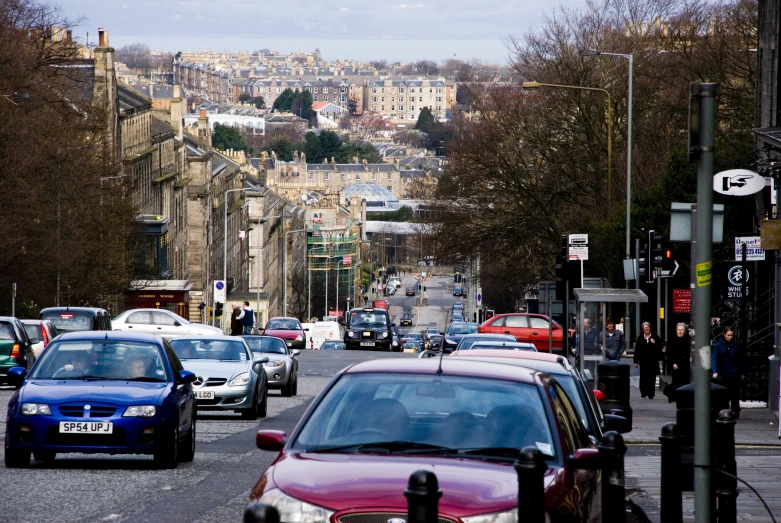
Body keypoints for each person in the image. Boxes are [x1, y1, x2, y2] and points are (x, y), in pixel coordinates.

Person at [712, 327, 745, 417]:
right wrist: (714, 371)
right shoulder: (718, 345)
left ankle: (735, 410)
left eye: (732, 335)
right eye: (728, 335)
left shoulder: (737, 345)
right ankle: (723, 409)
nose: (730, 337)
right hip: (722, 372)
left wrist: (742, 372)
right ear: (724, 335)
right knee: (723, 393)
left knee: (735, 392)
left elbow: (741, 359)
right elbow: (714, 358)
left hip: (734, 372)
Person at [634, 322, 663, 399]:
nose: (646, 329)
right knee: (643, 377)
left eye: (648, 327)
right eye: (645, 327)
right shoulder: (640, 338)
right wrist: (635, 361)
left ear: (650, 328)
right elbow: (637, 350)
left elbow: (660, 347)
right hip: (643, 361)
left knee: (651, 377)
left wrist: (654, 343)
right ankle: (643, 392)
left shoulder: (655, 337)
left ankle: (651, 393)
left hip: (652, 361)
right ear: (642, 329)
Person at [663, 323, 691, 403]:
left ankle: (681, 398)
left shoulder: (688, 340)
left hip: (685, 364)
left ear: (685, 331)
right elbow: (669, 353)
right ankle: (671, 394)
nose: (680, 331)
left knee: (684, 382)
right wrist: (673, 363)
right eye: (678, 330)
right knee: (676, 382)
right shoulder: (672, 340)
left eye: (682, 330)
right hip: (676, 364)